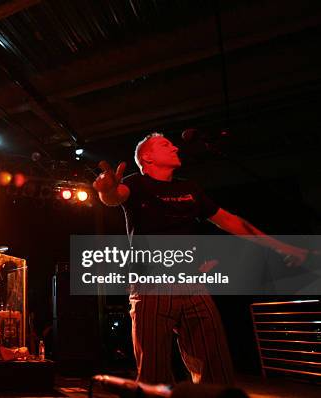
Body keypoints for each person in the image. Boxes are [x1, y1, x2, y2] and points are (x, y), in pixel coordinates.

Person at [93, 132, 310, 385]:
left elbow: (232, 221)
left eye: (172, 144)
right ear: (147, 157)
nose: (174, 147)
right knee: (153, 374)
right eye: (165, 145)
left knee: (215, 366)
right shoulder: (137, 184)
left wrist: (283, 247)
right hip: (151, 287)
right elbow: (114, 196)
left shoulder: (190, 188)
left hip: (193, 285)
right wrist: (106, 189)